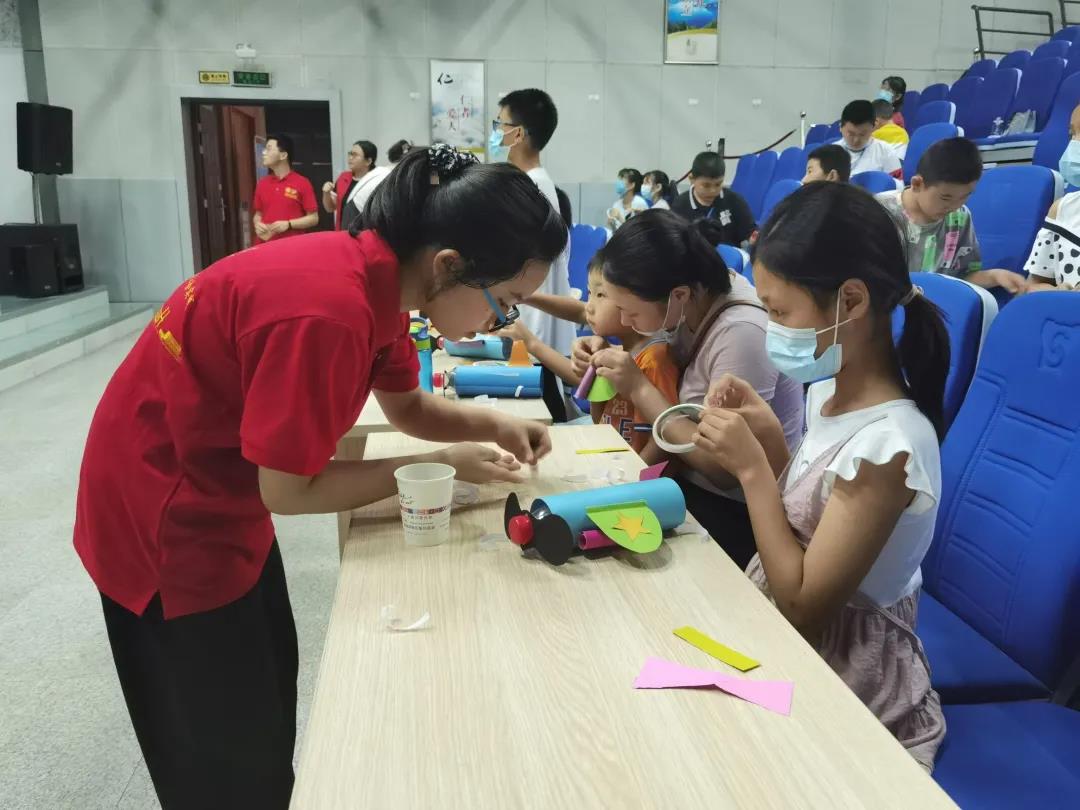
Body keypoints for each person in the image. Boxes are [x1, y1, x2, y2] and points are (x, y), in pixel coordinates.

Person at [73, 144, 566, 810]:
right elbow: (289, 490)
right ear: (449, 265)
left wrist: (492, 424)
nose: (500, 322)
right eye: (504, 303)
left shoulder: (382, 282)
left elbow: (407, 407)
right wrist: (436, 468)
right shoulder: (329, 312)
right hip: (164, 510)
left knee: (266, 698)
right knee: (222, 760)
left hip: (221, 484)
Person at [690, 181, 948, 771]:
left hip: (846, 669)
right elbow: (814, 515)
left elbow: (804, 608)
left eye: (780, 312)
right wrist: (770, 439)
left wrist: (751, 469)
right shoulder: (829, 391)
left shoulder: (890, 447)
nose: (771, 326)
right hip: (786, 627)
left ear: (850, 301)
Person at [571, 211, 804, 567]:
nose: (625, 321)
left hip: (734, 510)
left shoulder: (742, 332)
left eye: (630, 313)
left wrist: (639, 389)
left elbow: (723, 471)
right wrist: (605, 345)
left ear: (678, 295)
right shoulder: (689, 298)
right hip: (681, 481)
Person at [500, 256, 679, 454]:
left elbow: (664, 435)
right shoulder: (619, 352)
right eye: (590, 294)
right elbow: (598, 419)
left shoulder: (655, 360)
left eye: (601, 295)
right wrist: (595, 370)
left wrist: (637, 474)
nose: (589, 306)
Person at [490, 89, 578, 359]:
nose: (495, 132)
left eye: (499, 124)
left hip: (532, 334)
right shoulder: (532, 183)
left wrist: (528, 349)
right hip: (529, 330)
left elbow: (536, 275)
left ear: (517, 133)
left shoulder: (532, 187)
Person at [875, 137, 1024, 293]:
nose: (955, 206)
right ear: (917, 184)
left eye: (965, 196)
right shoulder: (880, 210)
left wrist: (995, 276)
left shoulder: (960, 217)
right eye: (945, 198)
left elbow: (962, 278)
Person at [1025, 103, 1080, 292]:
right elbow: (1031, 287)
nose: (1074, 144)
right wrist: (1056, 292)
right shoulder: (1061, 209)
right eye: (1072, 134)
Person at [670, 151, 756, 246]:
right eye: (706, 185)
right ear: (692, 179)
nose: (713, 190)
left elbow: (750, 232)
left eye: (718, 184)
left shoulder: (734, 200)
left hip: (727, 254)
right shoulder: (680, 205)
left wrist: (755, 239)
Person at [253, 134, 319, 242]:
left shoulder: (302, 182)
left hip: (291, 246)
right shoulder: (262, 183)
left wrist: (289, 224)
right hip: (264, 245)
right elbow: (258, 214)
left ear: (283, 155)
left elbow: (314, 218)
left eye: (269, 149)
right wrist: (257, 224)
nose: (264, 153)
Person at [322, 140, 390, 232]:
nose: (350, 158)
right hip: (343, 233)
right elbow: (330, 208)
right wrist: (326, 193)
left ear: (368, 161)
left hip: (366, 234)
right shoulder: (343, 177)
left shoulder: (377, 180)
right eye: (350, 154)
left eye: (355, 155)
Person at [835, 100, 902, 178]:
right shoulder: (831, 152)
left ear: (873, 128)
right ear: (840, 127)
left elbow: (898, 183)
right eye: (851, 134)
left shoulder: (886, 151)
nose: (856, 140)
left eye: (862, 135)